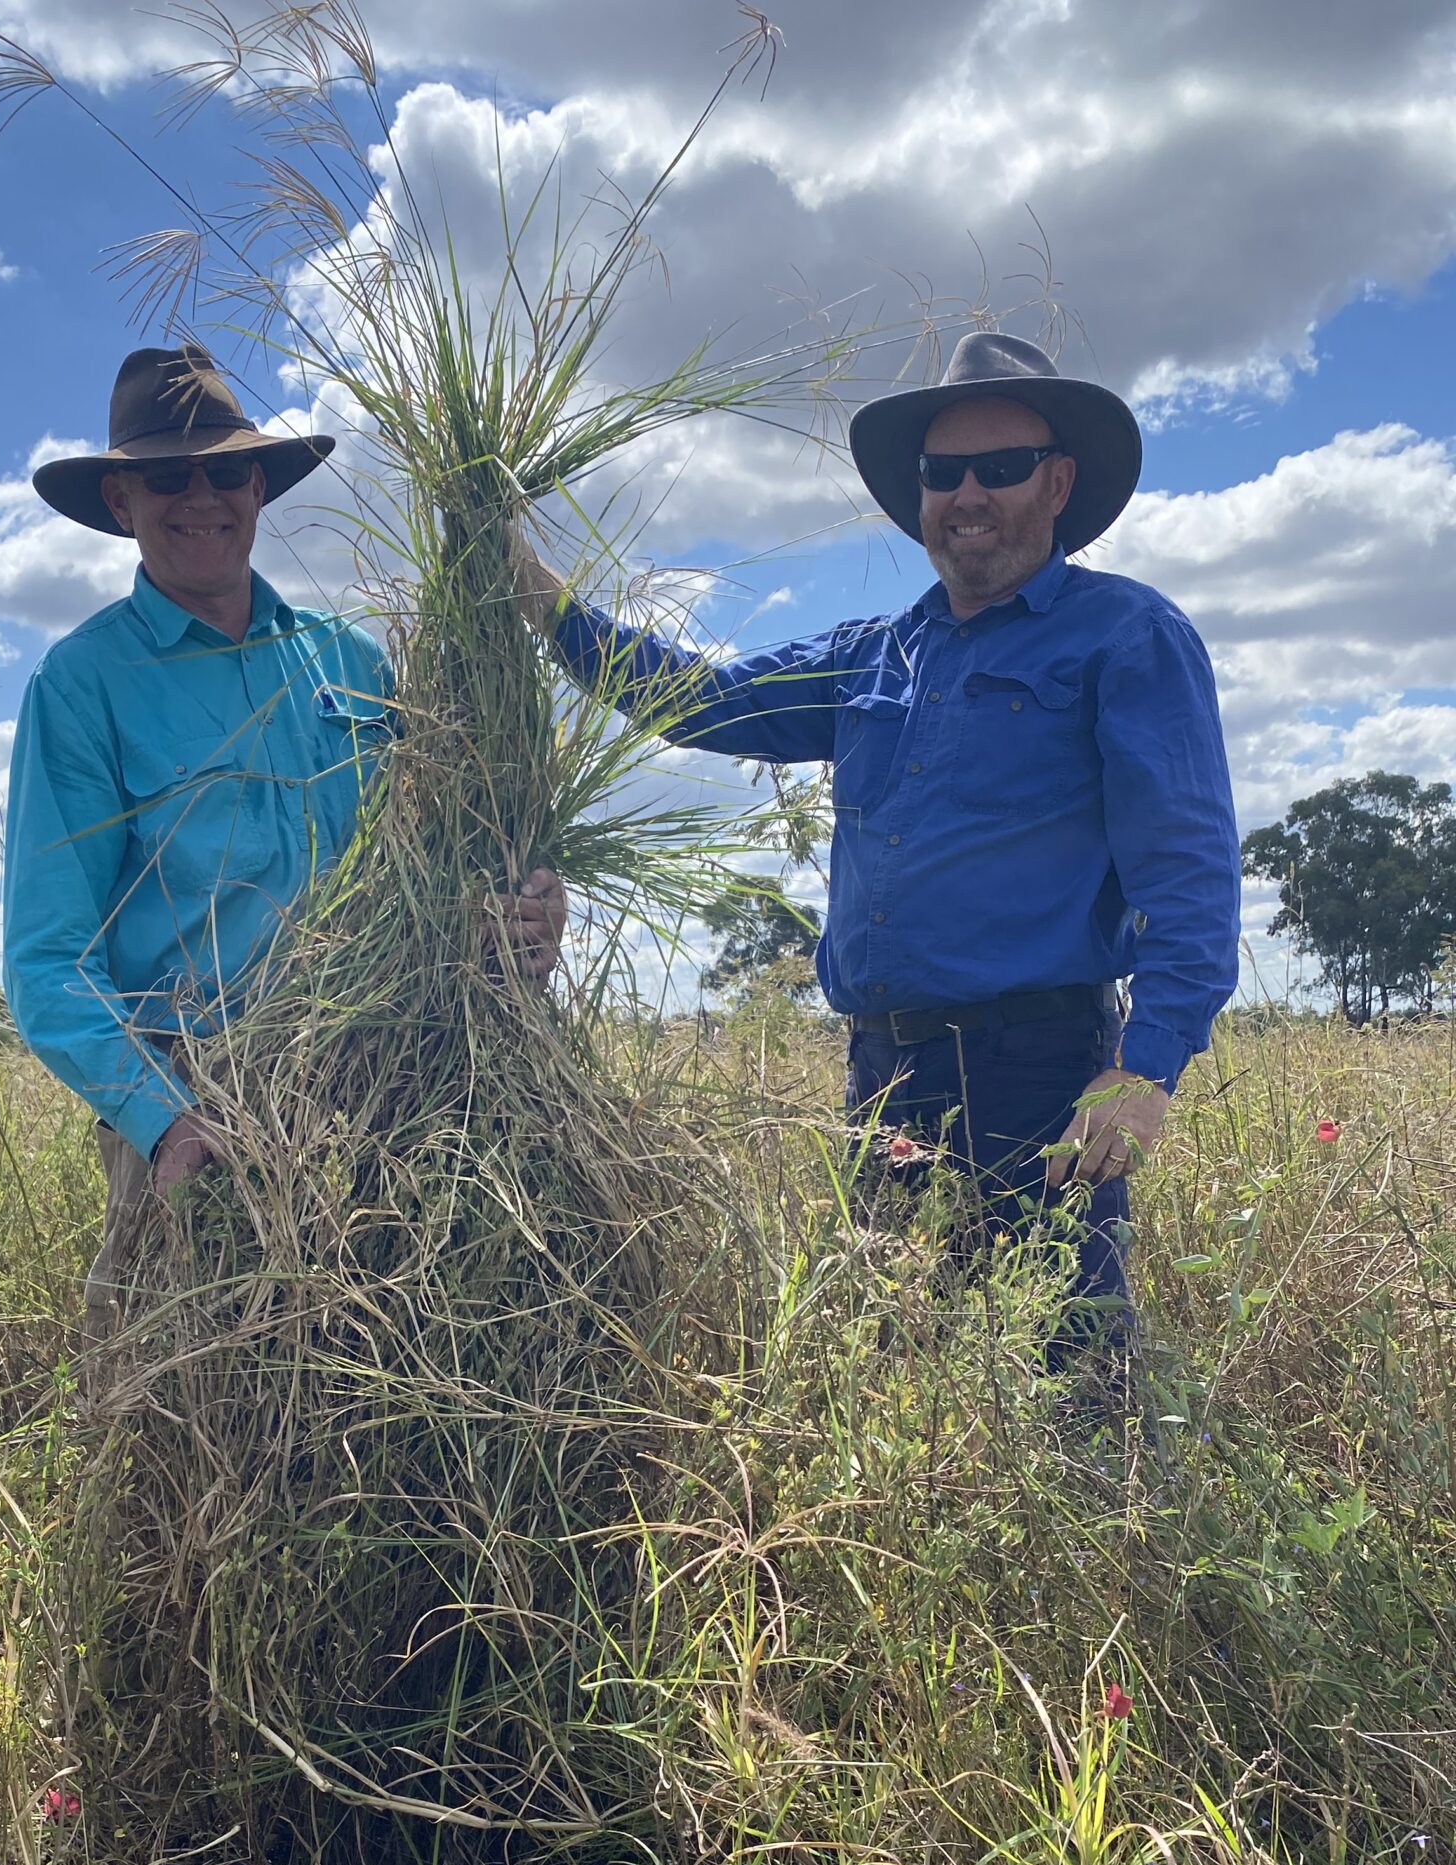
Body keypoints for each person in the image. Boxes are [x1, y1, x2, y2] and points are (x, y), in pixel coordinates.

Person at [508, 331, 1241, 1362]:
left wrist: (1146, 1071)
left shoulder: (1125, 638)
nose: (968, 493)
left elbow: (1190, 873)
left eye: (1002, 467)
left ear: (1060, 482)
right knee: (903, 1362)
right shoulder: (874, 654)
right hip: (885, 1072)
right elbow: (696, 701)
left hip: (1036, 1073)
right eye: (945, 473)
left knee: (1058, 1372)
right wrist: (534, 591)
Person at [2, 342, 566, 1338]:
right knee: (178, 1416)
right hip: (193, 1102)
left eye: (225, 469)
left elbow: (427, 867)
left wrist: (514, 914)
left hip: (380, 1088)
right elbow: (48, 960)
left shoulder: (349, 662)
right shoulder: (82, 685)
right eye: (168, 475)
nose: (201, 496)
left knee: (392, 1391)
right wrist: (164, 1116)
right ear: (123, 502)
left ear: (258, 486)